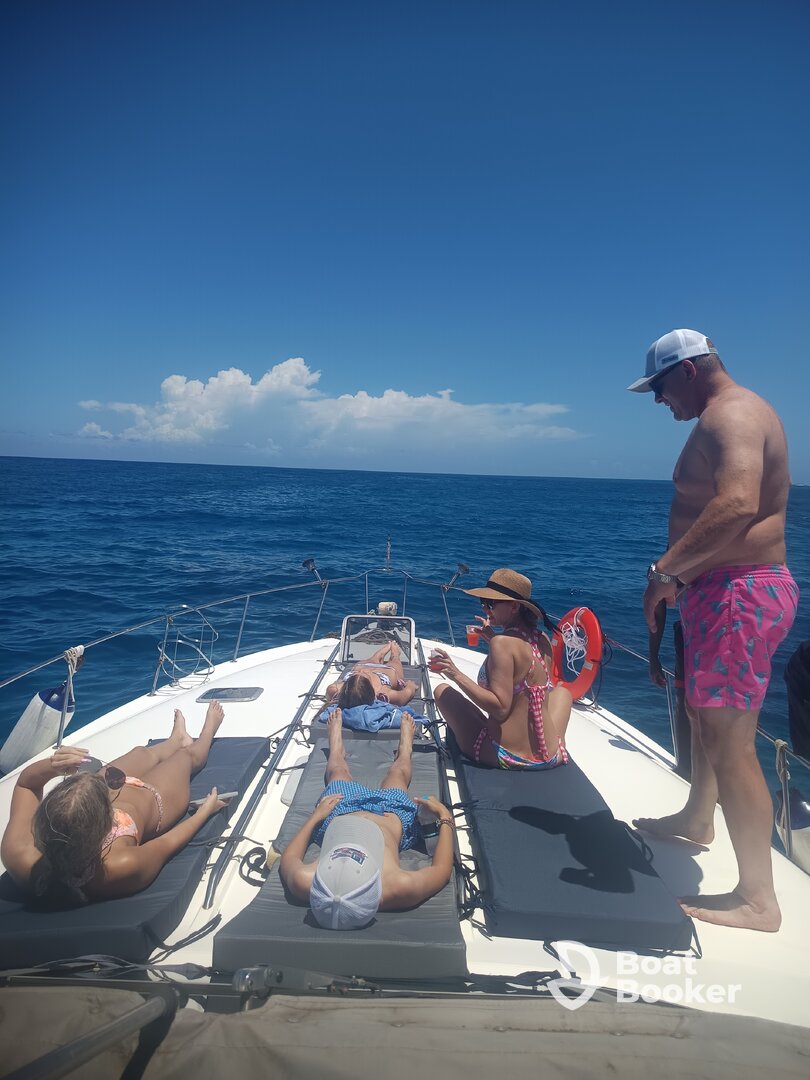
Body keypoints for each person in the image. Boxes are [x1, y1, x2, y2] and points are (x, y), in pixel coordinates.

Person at [628, 328, 799, 931]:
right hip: (719, 593)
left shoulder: (734, 414)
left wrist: (664, 573)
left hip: (739, 594)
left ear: (689, 370)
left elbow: (737, 503)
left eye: (659, 387)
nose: (658, 400)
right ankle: (698, 818)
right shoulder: (725, 415)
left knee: (730, 740)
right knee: (704, 717)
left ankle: (758, 898)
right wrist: (682, 581)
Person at [1, 702, 229, 905]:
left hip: (91, 808)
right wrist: (205, 812)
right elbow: (167, 843)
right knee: (185, 758)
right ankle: (208, 731)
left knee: (141, 753)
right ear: (108, 822)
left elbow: (26, 785)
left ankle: (176, 740)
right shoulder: (117, 867)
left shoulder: (21, 855)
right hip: (152, 802)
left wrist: (53, 765)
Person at [279, 712, 454, 929]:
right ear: (377, 897)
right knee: (397, 775)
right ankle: (405, 748)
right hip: (392, 813)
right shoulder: (398, 887)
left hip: (339, 811)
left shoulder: (305, 881)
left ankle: (336, 746)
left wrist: (316, 817)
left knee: (338, 772)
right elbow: (441, 871)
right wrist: (445, 817)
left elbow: (290, 857)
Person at [430, 568, 573, 769]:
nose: (485, 609)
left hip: (509, 757)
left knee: (442, 691)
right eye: (483, 602)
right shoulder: (542, 639)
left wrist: (455, 673)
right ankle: (557, 744)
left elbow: (500, 709)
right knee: (562, 693)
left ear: (514, 607)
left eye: (491, 604)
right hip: (550, 755)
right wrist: (493, 638)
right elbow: (526, 673)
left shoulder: (502, 644)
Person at [324, 640, 416, 709]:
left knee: (368, 662)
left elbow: (334, 685)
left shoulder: (334, 690)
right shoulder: (384, 693)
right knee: (395, 661)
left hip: (365, 668)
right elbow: (406, 694)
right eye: (363, 674)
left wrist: (340, 682)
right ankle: (395, 654)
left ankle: (378, 655)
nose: (362, 671)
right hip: (384, 674)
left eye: (354, 674)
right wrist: (410, 686)